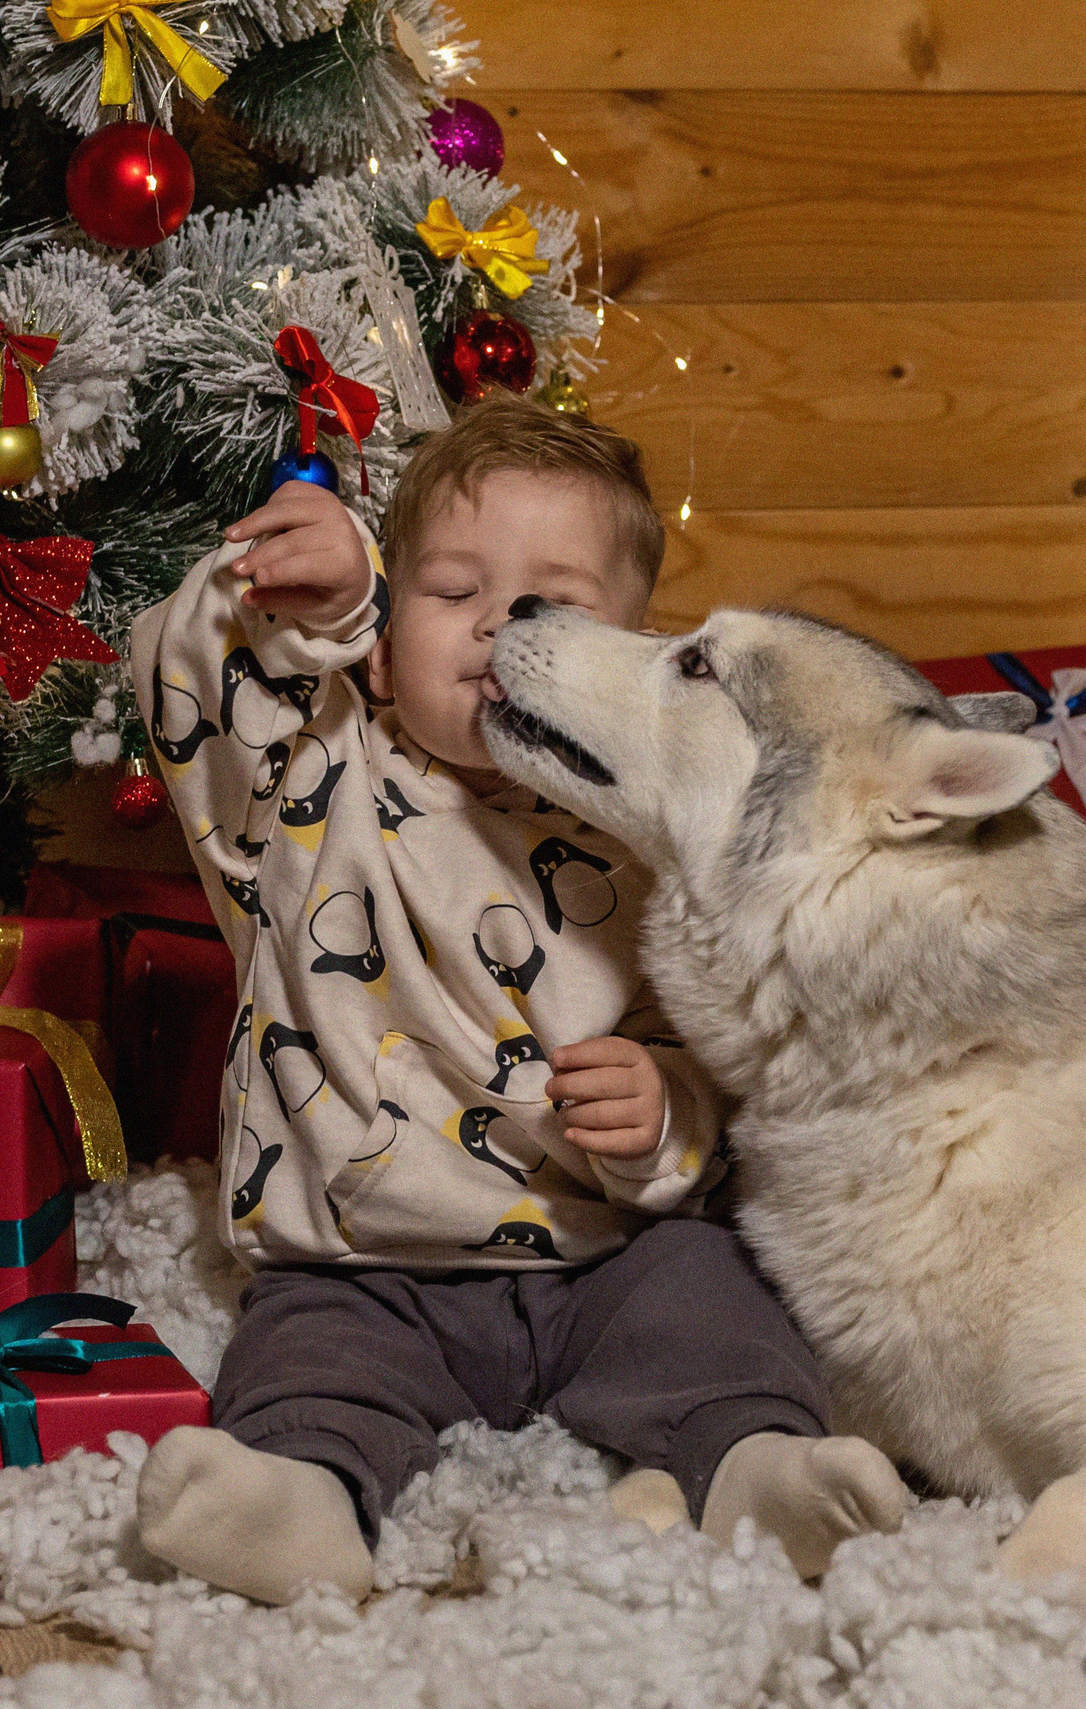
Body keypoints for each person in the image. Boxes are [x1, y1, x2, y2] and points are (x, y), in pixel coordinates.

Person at [126, 394, 910, 1603]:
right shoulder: (303, 785)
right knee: (306, 1364)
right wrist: (318, 599)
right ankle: (304, 1498)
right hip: (361, 1256)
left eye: (552, 606)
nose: (501, 625)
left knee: (714, 1298)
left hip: (605, 1254)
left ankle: (755, 1462)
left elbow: (730, 1066)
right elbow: (188, 679)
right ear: (384, 645)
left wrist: (665, 1113)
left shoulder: (661, 839)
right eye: (451, 593)